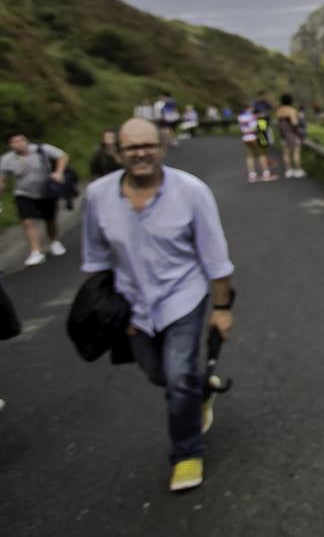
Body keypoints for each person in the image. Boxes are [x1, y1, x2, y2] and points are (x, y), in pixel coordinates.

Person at [81, 117, 234, 493]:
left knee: (178, 376)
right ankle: (202, 390)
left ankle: (185, 453)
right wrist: (107, 309)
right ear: (116, 152)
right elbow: (96, 261)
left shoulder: (191, 191)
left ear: (162, 146)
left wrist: (221, 307)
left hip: (184, 296)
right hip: (133, 306)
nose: (141, 153)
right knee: (158, 375)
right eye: (132, 147)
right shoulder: (98, 195)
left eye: (148, 145)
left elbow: (216, 258)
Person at [0, 133, 71, 267]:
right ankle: (36, 250)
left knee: (50, 219)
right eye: (15, 141)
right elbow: (2, 180)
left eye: (22, 140)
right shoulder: (6, 160)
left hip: (46, 190)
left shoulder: (41, 149)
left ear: (26, 140)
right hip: (23, 193)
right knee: (27, 221)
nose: (19, 143)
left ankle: (54, 241)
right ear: (10, 145)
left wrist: (59, 172)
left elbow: (63, 156)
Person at [237, 102, 276, 183]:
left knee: (249, 157)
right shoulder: (253, 117)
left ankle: (252, 176)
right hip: (255, 137)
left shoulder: (240, 117)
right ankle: (266, 174)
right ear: (248, 108)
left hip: (245, 138)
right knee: (262, 155)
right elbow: (258, 128)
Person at [274, 94, 306, 178]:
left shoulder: (279, 111)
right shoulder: (291, 110)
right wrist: (298, 134)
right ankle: (298, 170)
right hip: (292, 134)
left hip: (284, 135)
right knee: (296, 152)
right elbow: (294, 123)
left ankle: (288, 170)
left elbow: (278, 124)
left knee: (286, 153)